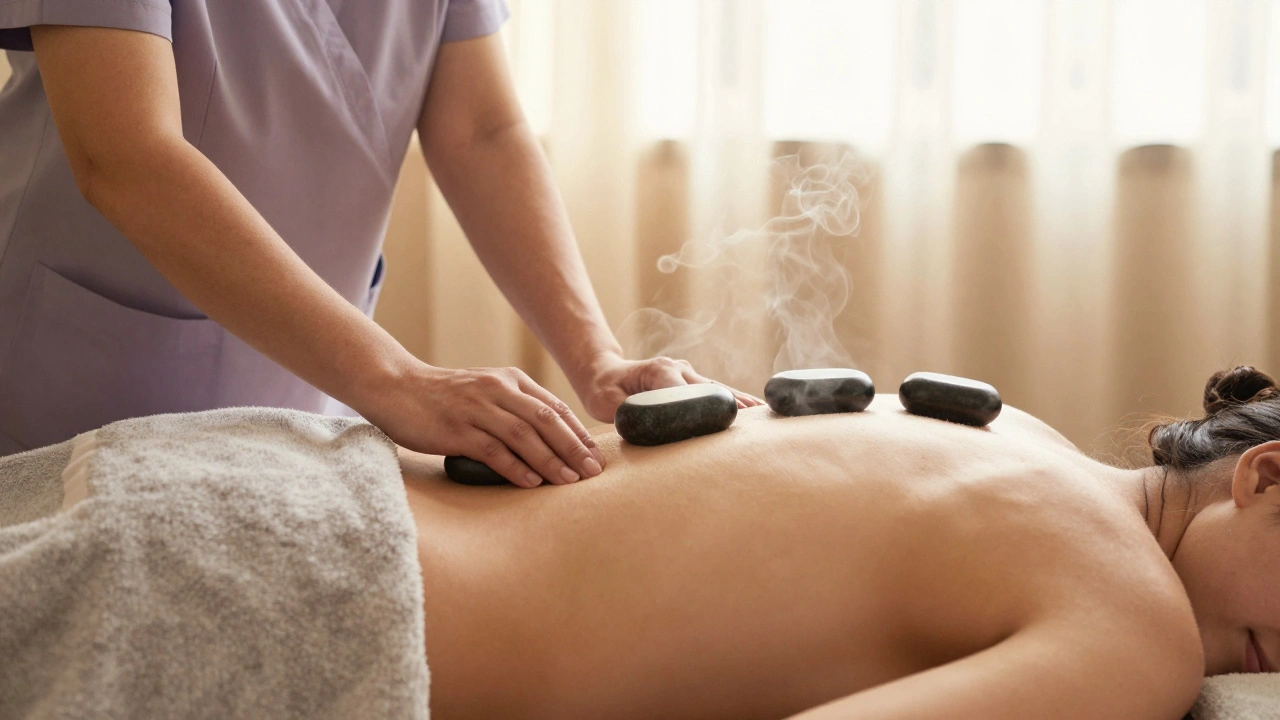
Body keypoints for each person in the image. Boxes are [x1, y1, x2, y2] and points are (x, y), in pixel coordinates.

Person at [0, 2, 758, 481]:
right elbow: (124, 154)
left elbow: (482, 132)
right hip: (79, 389)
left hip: (310, 395)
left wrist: (598, 361)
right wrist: (397, 381)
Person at [395, 365, 1280, 718]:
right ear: (1264, 478)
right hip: (360, 599)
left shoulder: (1014, 427)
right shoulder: (1138, 628)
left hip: (341, 474)